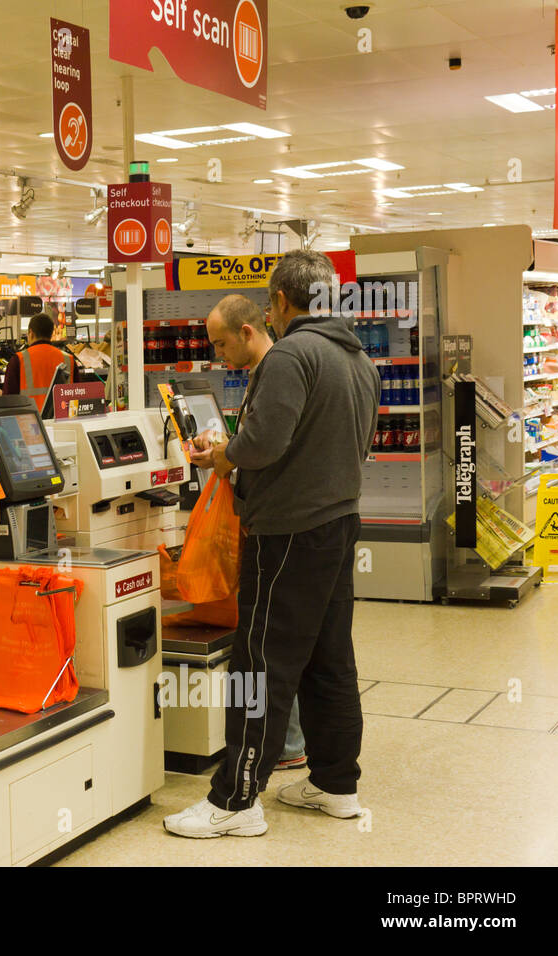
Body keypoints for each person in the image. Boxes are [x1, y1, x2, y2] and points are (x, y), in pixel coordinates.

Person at [164, 250, 380, 838]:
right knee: (330, 660)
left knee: (259, 662)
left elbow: (261, 443)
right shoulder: (359, 359)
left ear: (281, 303)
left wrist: (222, 457)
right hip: (339, 526)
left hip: (286, 534)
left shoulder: (291, 355)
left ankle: (235, 800)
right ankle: (336, 784)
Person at [206, 295, 304, 771]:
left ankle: (274, 751)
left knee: (262, 645)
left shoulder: (278, 369)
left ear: (247, 332)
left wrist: (226, 456)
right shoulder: (271, 372)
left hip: (277, 529)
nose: (219, 355)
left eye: (222, 344)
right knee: (290, 643)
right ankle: (293, 744)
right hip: (293, 525)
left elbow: (263, 445)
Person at [3, 313, 76, 413]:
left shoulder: (18, 360)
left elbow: (8, 401)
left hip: (30, 423)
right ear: (51, 333)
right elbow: (78, 395)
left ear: (31, 333)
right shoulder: (69, 359)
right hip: (63, 422)